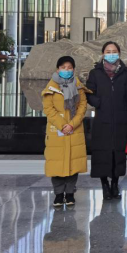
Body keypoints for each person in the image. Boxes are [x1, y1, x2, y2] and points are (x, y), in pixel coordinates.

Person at [86, 41, 127, 201]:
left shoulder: (125, 73)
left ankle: (115, 183)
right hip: (102, 120)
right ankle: (104, 184)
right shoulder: (95, 73)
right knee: (102, 153)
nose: (111, 54)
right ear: (103, 54)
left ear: (119, 53)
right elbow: (89, 93)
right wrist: (99, 102)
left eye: (114, 51)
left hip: (120, 120)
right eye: (108, 51)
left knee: (117, 154)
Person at [42, 56, 89, 207]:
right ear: (58, 70)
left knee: (73, 164)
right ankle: (58, 194)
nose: (66, 70)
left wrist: (72, 125)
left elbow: (82, 107)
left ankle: (69, 194)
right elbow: (48, 109)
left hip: (75, 130)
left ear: (74, 70)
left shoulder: (79, 87)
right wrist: (62, 125)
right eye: (63, 67)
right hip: (57, 131)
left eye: (69, 67)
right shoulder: (51, 87)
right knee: (56, 164)